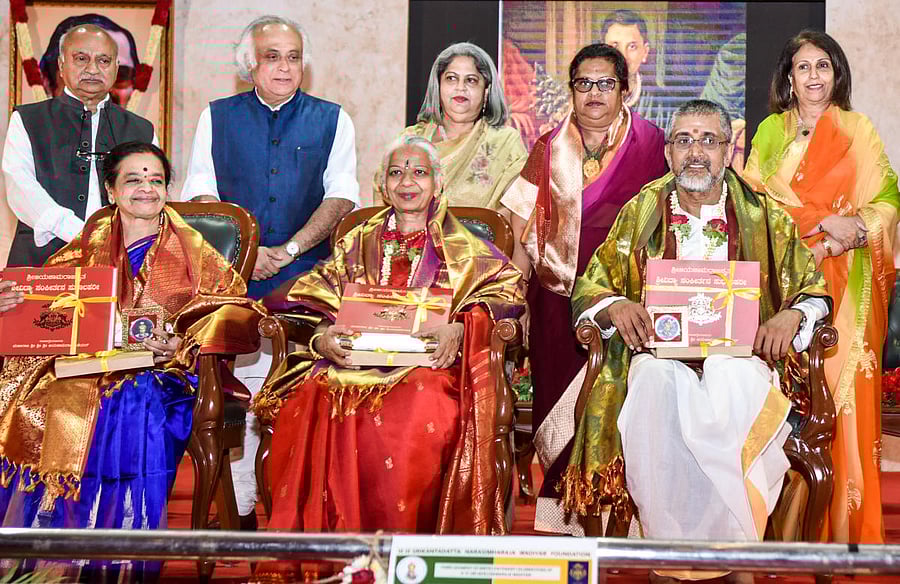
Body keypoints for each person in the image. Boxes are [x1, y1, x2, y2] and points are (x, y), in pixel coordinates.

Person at [564, 100, 829, 582]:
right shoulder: (643, 209)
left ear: (730, 152)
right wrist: (616, 306)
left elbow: (812, 288)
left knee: (733, 380)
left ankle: (735, 552)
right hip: (658, 359)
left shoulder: (763, 213)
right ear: (668, 153)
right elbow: (591, 284)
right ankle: (669, 555)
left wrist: (792, 314)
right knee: (653, 388)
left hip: (741, 359)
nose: (696, 152)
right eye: (684, 140)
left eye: (709, 140)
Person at [0, 142, 259, 581]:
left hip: (164, 374)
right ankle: (42, 558)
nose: (146, 189)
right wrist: (15, 304)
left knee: (129, 400)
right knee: (35, 394)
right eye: (133, 180)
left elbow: (238, 310)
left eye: (156, 180)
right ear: (111, 190)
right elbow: (50, 300)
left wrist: (178, 343)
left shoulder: (193, 249)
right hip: (85, 367)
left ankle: (115, 561)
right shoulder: (91, 240)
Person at [252, 136, 525, 547]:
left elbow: (507, 297)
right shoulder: (358, 240)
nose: (407, 182)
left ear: (438, 183)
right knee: (314, 392)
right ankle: (341, 550)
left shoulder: (465, 247)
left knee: (419, 403)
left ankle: (407, 551)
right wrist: (323, 337)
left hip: (429, 369)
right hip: (351, 362)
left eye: (419, 172)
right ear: (383, 185)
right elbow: (311, 295)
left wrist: (460, 329)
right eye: (396, 173)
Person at [182, 15, 359, 525]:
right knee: (239, 389)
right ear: (249, 65)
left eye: (293, 56)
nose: (284, 66)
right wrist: (247, 249)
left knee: (299, 391)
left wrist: (291, 247)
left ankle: (296, 503)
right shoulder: (217, 116)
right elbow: (202, 194)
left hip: (308, 276)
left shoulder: (333, 118)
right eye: (272, 56)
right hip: (235, 274)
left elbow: (342, 195)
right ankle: (237, 505)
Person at [500, 42, 667, 535]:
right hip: (557, 304)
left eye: (605, 83)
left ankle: (629, 522)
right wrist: (514, 300)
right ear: (571, 91)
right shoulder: (549, 149)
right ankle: (567, 523)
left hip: (633, 309)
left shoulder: (654, 144)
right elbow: (519, 225)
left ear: (626, 89)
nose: (594, 93)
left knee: (625, 412)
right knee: (561, 417)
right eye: (583, 83)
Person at [743, 30, 900, 544]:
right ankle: (773, 531)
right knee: (779, 403)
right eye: (803, 67)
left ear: (837, 74)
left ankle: (845, 531)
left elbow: (887, 201)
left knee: (844, 397)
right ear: (788, 76)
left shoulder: (858, 129)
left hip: (847, 285)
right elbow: (753, 205)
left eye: (823, 66)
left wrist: (841, 238)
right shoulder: (769, 133)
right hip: (782, 286)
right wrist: (823, 221)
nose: (814, 77)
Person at [3, 24, 156, 268]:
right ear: (62, 66)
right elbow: (20, 186)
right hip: (40, 261)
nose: (93, 69)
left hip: (119, 261)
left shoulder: (142, 130)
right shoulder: (28, 119)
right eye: (81, 58)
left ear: (116, 68)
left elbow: (148, 194)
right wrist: (77, 232)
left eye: (104, 60)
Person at [379, 42, 526, 210]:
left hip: (481, 236)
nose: (460, 87)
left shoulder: (505, 142)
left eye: (471, 80)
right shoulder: (409, 140)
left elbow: (517, 211)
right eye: (451, 78)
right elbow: (383, 200)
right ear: (438, 85)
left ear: (486, 90)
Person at [39, 14, 140, 106]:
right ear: (47, 82)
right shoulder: (26, 123)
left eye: (121, 74)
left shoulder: (142, 126)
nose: (96, 86)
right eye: (81, 60)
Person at [601, 10, 665, 128]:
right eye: (614, 46)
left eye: (632, 46)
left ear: (645, 52)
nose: (622, 56)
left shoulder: (663, 107)